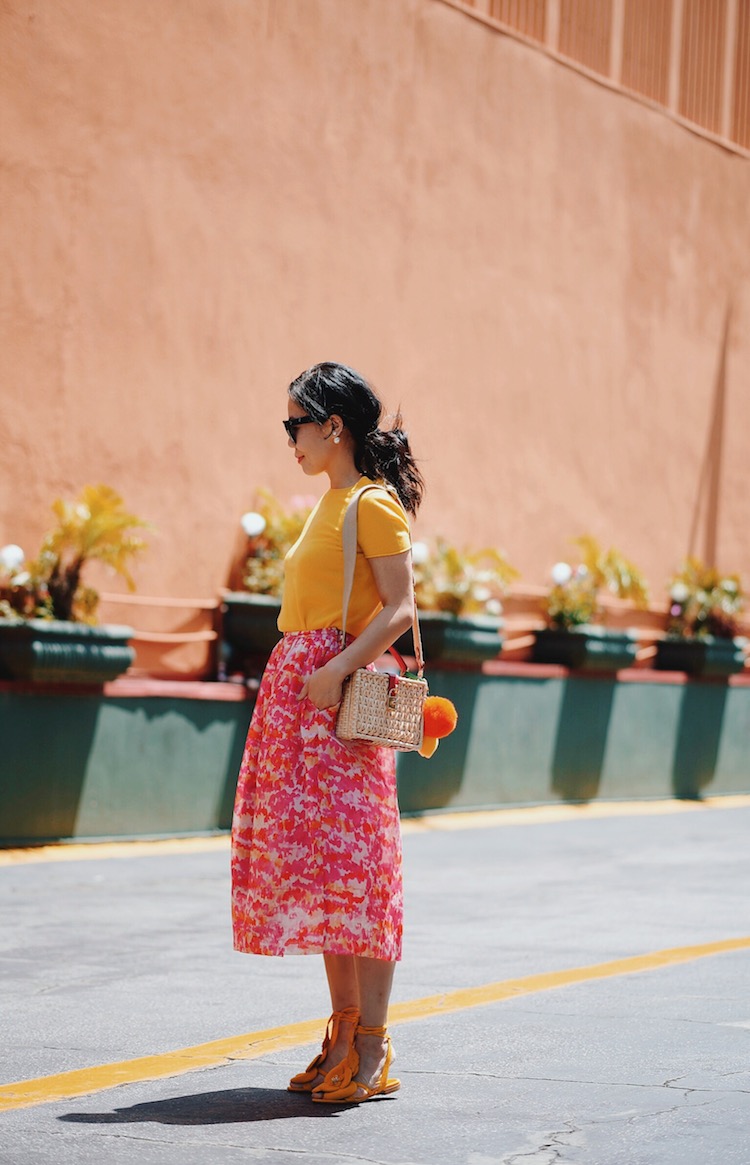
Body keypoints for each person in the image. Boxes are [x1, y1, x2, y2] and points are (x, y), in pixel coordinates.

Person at [231, 361, 425, 1104]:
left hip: (338, 707)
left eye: (295, 425)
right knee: (322, 873)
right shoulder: (327, 504)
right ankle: (342, 1032)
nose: (290, 440)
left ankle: (373, 1047)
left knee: (362, 870)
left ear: (332, 426)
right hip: (300, 705)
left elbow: (401, 607)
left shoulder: (372, 503)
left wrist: (338, 667)